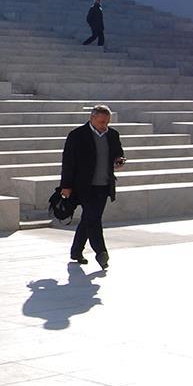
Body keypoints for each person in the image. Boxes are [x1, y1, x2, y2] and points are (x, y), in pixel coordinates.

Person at [58, 105, 126, 270]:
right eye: (101, 122)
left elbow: (118, 153)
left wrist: (119, 160)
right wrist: (65, 186)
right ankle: (101, 253)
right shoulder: (77, 135)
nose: (104, 125)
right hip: (83, 186)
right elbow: (68, 162)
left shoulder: (113, 135)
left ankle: (76, 252)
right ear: (92, 118)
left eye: (107, 122)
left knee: (89, 219)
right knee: (93, 219)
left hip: (103, 185)